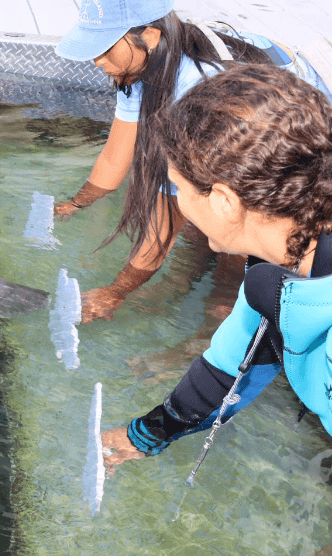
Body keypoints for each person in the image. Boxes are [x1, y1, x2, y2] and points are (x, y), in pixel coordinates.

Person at [101, 63, 332, 472]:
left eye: (180, 188)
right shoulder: (276, 270)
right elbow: (230, 369)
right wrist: (148, 433)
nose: (179, 203)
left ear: (224, 200)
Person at [52, 0, 332, 323]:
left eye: (105, 47)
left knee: (233, 266)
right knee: (201, 225)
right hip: (258, 149)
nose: (96, 60)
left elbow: (161, 229)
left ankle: (215, 331)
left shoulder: (195, 91)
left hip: (300, 168)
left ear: (151, 36)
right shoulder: (139, 66)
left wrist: (115, 292)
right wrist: (75, 204)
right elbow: (115, 159)